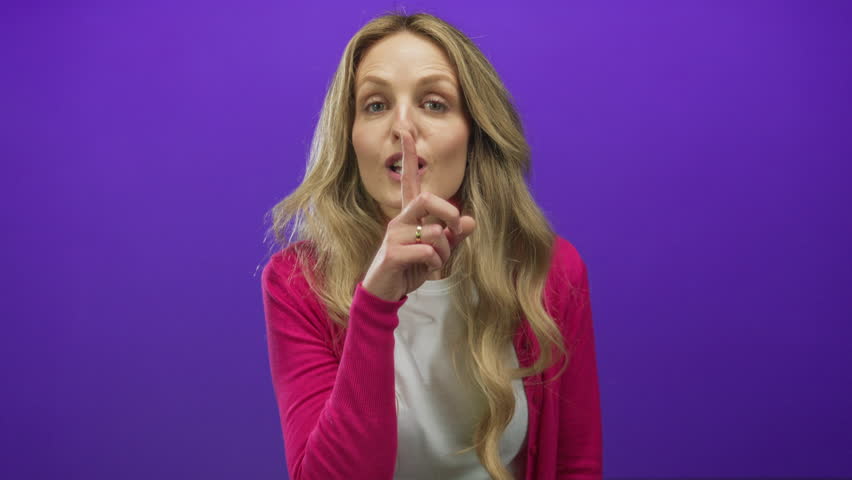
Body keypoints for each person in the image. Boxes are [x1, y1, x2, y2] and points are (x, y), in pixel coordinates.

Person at [260, 11, 602, 480]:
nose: (403, 127)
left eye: (434, 104)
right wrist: (376, 303)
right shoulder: (297, 282)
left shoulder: (550, 269)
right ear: (349, 136)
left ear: (474, 132)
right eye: (375, 105)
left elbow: (575, 466)